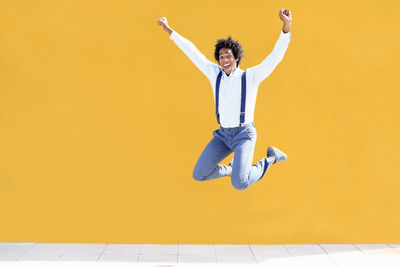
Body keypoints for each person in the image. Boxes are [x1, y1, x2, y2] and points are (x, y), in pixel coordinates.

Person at [157, 9, 292, 190]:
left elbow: (275, 58)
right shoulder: (215, 74)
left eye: (228, 56)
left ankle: (271, 158)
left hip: (244, 135)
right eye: (221, 57)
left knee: (240, 183)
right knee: (199, 174)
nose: (224, 60)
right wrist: (168, 30)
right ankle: (230, 170)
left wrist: (286, 26)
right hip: (222, 136)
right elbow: (193, 52)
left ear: (236, 58)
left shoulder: (250, 77)